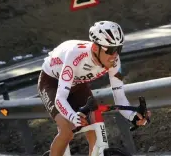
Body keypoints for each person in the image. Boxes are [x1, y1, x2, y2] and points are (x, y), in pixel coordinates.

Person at [37, 20, 151, 156]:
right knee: (67, 131)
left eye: (118, 49)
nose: (115, 55)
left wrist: (133, 116)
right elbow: (60, 99)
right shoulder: (75, 56)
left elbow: (119, 96)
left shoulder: (115, 62)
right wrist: (73, 117)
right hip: (52, 83)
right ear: (96, 48)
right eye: (110, 50)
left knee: (93, 126)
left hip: (77, 84)